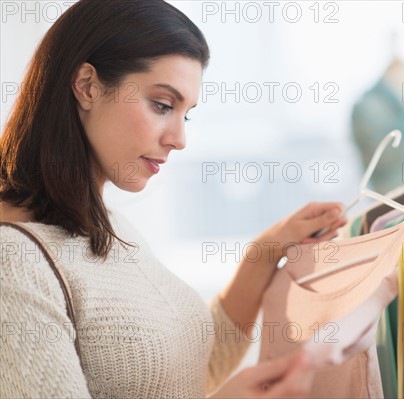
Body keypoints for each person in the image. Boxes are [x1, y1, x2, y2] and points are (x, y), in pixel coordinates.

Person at [0, 1, 346, 397]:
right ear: (87, 86)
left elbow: (184, 371)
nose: (179, 140)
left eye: (186, 114)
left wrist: (265, 253)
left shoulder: (106, 224)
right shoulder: (14, 261)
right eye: (162, 105)